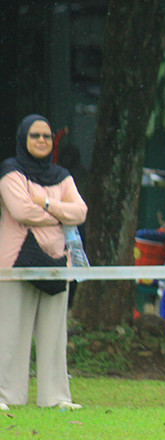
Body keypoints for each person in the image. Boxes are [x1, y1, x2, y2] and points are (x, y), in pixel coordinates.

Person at [0, 114, 87, 411]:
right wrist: (62, 215)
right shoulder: (11, 172)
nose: (41, 141)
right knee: (11, 332)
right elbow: (21, 211)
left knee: (54, 333)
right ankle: (6, 395)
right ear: (23, 139)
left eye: (47, 136)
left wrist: (48, 204)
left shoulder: (61, 175)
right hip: (15, 262)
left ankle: (56, 397)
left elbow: (81, 212)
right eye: (35, 135)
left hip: (57, 262)